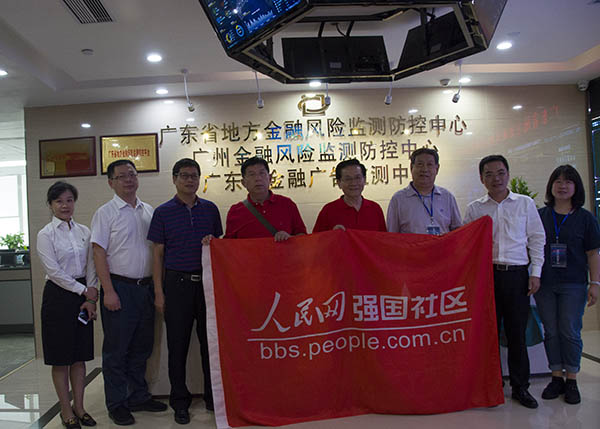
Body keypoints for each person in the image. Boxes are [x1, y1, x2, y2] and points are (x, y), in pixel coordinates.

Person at [464, 154, 545, 409]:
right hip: (487, 276)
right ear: (481, 179)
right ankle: (492, 384)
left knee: (516, 334)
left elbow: (537, 238)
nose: (495, 179)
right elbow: (465, 243)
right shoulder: (475, 208)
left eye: (500, 173)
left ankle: (521, 387)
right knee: (488, 333)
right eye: (488, 174)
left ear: (508, 174)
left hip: (517, 275)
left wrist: (535, 272)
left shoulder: (524, 204)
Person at [91, 159, 167, 426]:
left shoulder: (149, 211)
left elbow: (156, 251)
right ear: (111, 182)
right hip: (119, 288)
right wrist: (108, 291)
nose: (129, 180)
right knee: (116, 351)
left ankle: (138, 396)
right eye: (122, 176)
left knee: (141, 348)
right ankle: (117, 404)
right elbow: (98, 252)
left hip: (145, 289)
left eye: (132, 174)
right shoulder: (105, 213)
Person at [148, 158, 223, 424]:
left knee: (210, 344)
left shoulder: (211, 209)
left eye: (194, 176)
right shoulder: (163, 212)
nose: (189, 180)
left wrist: (212, 242)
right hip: (176, 285)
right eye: (184, 175)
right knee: (177, 346)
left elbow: (219, 246)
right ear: (174, 179)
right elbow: (157, 255)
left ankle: (214, 398)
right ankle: (180, 401)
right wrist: (159, 292)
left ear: (200, 179)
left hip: (207, 285)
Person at [535, 165, 600, 404]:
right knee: (551, 331)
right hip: (545, 283)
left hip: (574, 283)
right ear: (551, 185)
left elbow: (593, 253)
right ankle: (556, 377)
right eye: (558, 181)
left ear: (576, 187)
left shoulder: (586, 218)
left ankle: (571, 379)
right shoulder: (540, 215)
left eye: (568, 182)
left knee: (570, 330)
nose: (562, 186)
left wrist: (595, 283)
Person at [37, 181, 98, 429]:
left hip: (83, 295)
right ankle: (65, 410)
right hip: (58, 297)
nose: (65, 205)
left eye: (69, 200)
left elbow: (91, 265)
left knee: (79, 357)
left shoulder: (84, 231)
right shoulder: (45, 234)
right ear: (50, 205)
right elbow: (54, 272)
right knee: (61, 358)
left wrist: (91, 296)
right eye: (59, 201)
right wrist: (84, 290)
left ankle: (80, 408)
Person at [221, 157, 306, 240]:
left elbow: (303, 238)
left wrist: (290, 238)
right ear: (243, 183)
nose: (258, 178)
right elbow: (228, 245)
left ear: (270, 178)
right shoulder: (235, 212)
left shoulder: (287, 204)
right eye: (252, 174)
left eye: (262, 173)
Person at [387, 147, 462, 235]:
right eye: (420, 164)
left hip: (442, 245)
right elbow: (392, 235)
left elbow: (458, 232)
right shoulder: (398, 199)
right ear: (411, 167)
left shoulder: (447, 197)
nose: (425, 169)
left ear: (437, 169)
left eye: (429, 164)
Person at [313, 159, 386, 233]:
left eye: (357, 178)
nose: (353, 183)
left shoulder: (375, 209)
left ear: (364, 180)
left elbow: (383, 238)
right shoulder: (328, 211)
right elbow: (317, 239)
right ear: (339, 183)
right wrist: (332, 234)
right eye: (348, 179)